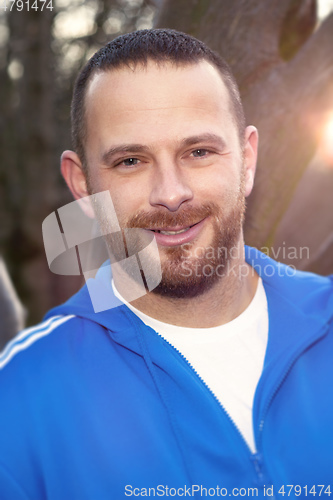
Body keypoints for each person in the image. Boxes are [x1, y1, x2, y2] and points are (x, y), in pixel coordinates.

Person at [0, 29, 332, 500]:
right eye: (131, 161)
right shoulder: (18, 400)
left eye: (199, 152)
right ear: (82, 187)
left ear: (248, 160)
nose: (171, 193)